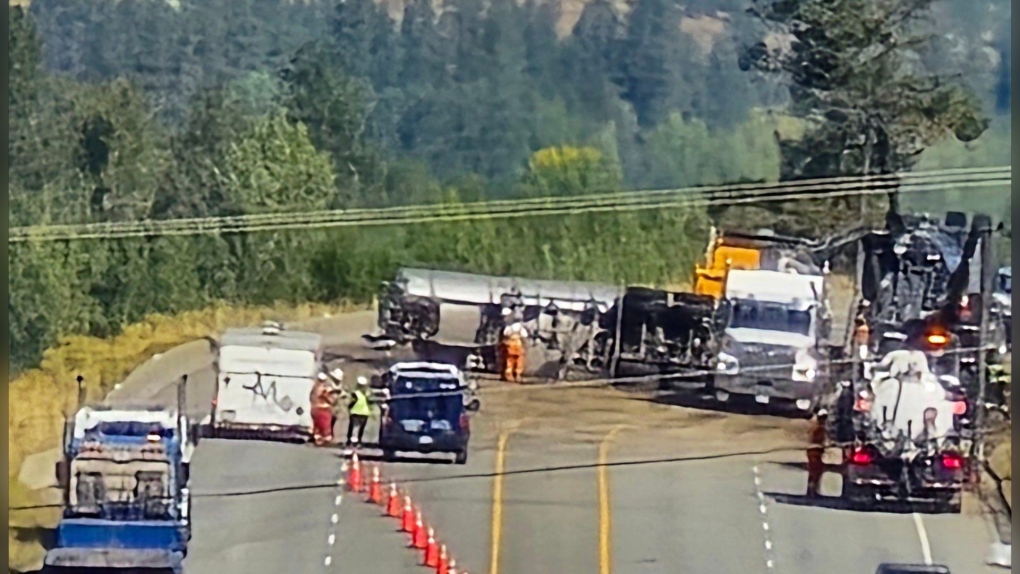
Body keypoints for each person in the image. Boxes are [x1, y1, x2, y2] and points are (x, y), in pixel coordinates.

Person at [310, 373, 338, 446]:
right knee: (324, 425)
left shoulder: (314, 388)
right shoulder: (322, 389)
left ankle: (318, 438)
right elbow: (326, 397)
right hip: (323, 408)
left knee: (317, 425)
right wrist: (331, 401)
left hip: (314, 408)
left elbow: (311, 397)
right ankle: (324, 439)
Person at [346, 376, 373, 448]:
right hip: (364, 413)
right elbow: (370, 402)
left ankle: (352, 441)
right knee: (360, 428)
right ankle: (358, 441)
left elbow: (351, 402)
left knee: (354, 427)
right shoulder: (367, 393)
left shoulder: (355, 393)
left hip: (355, 412)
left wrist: (349, 407)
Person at [806, 409, 828, 497]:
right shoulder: (819, 428)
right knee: (815, 470)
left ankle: (813, 487)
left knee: (815, 470)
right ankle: (812, 487)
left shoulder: (816, 426)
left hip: (814, 451)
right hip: (815, 451)